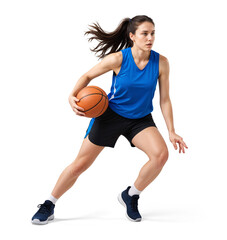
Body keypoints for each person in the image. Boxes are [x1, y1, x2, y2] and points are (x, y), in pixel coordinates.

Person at [31, 15, 188, 224]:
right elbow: (87, 76)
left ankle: (131, 195)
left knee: (160, 156)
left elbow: (165, 99)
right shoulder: (118, 59)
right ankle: (49, 204)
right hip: (110, 116)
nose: (150, 38)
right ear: (132, 36)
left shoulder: (161, 62)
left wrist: (171, 130)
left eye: (153, 33)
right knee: (79, 165)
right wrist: (72, 95)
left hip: (140, 119)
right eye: (145, 33)